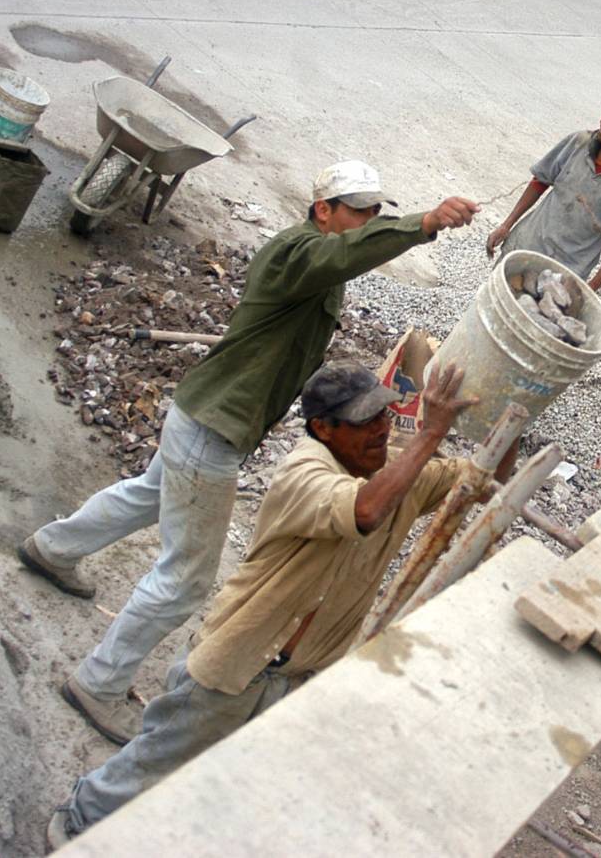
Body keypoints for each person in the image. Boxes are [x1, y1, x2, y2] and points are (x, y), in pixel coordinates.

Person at [19, 162, 480, 743]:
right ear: (323, 210)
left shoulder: (317, 260)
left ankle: (51, 548)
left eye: (373, 212)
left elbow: (343, 259)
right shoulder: (301, 254)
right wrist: (424, 223)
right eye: (359, 210)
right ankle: (99, 684)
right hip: (213, 426)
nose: (367, 221)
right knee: (186, 578)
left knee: (147, 495)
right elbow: (342, 256)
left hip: (205, 412)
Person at [46, 360, 487, 848]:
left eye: (385, 417)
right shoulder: (305, 469)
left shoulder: (394, 476)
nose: (382, 430)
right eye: (365, 422)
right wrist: (430, 434)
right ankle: (77, 823)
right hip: (240, 659)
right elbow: (364, 511)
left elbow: (482, 478)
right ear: (323, 428)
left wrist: (511, 406)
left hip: (300, 674)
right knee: (158, 759)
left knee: (231, 776)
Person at [485, 92, 601, 292]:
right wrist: (506, 225)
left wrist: (593, 285)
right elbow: (540, 181)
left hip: (563, 275)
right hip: (524, 248)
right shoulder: (579, 142)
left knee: (533, 320)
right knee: (491, 307)